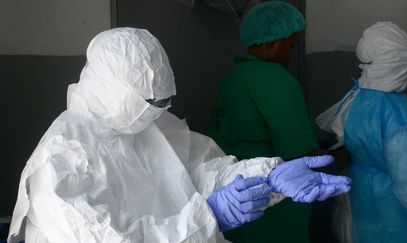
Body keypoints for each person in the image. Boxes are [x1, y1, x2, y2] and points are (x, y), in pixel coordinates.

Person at [7, 28, 350, 243]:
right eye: (148, 101)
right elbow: (110, 238)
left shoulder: (149, 124)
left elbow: (205, 170)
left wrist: (268, 177)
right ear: (110, 90)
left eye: (162, 102)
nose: (157, 110)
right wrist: (208, 217)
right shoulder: (61, 157)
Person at [208, 1, 328, 242]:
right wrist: (340, 157)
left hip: (237, 197)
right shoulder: (275, 79)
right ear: (273, 41)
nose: (291, 53)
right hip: (274, 206)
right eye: (290, 45)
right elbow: (301, 152)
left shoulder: (234, 78)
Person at [316, 22, 407, 243]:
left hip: (359, 211)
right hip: (395, 219)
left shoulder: (356, 99)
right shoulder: (398, 111)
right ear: (396, 63)